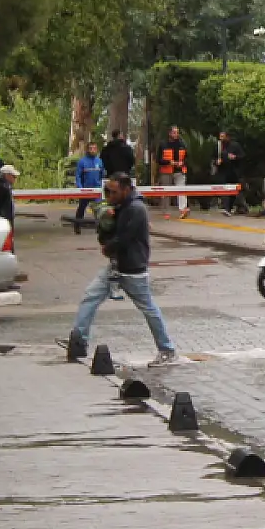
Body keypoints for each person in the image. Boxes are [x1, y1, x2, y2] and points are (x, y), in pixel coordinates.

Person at [64, 173, 179, 367]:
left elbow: (124, 238)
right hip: (116, 266)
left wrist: (108, 246)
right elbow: (109, 233)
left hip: (133, 268)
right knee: (91, 295)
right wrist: (104, 220)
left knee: (148, 308)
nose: (109, 195)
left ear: (126, 190)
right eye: (107, 191)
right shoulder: (121, 207)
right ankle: (79, 340)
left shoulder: (135, 209)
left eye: (113, 192)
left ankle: (167, 350)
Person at [157, 126, 189, 219]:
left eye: (177, 132)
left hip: (180, 171)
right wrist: (169, 162)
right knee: (166, 192)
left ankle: (183, 210)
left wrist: (182, 163)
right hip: (166, 171)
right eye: (174, 132)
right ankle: (166, 212)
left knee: (182, 190)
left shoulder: (182, 144)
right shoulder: (163, 144)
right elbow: (158, 159)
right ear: (170, 133)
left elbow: (187, 157)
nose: (176, 134)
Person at [74, 141, 105, 233]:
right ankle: (77, 226)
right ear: (87, 149)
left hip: (96, 190)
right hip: (85, 190)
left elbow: (102, 175)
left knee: (98, 209)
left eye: (94, 148)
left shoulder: (99, 161)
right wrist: (80, 188)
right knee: (81, 208)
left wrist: (101, 186)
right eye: (90, 148)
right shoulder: (82, 162)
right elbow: (78, 176)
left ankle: (99, 227)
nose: (92, 150)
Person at [213, 131, 243, 215]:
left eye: (223, 137)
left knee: (232, 191)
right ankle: (226, 208)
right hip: (222, 171)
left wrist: (235, 157)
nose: (221, 139)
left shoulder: (235, 145)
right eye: (220, 137)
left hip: (233, 171)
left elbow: (242, 156)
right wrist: (216, 161)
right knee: (224, 189)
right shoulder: (218, 146)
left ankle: (229, 208)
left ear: (227, 137)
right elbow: (213, 157)